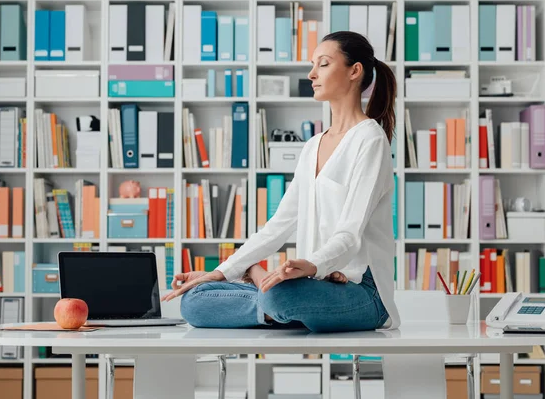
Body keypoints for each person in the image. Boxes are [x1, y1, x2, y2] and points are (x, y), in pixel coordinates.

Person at [161, 31, 401, 333]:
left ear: (355, 71)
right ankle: (271, 296)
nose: (312, 74)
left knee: (279, 297)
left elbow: (350, 235)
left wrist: (313, 265)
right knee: (194, 300)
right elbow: (279, 225)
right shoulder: (313, 145)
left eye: (323, 64)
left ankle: (266, 289)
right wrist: (221, 272)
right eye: (312, 65)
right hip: (316, 283)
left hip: (362, 292)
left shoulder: (370, 139)